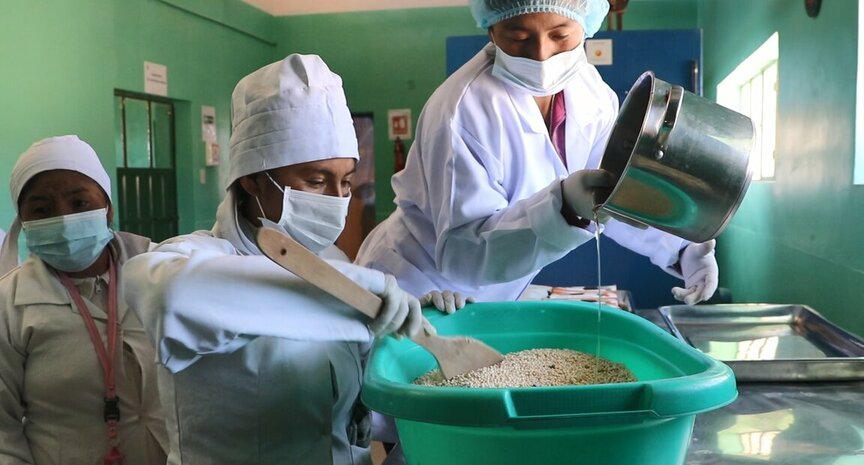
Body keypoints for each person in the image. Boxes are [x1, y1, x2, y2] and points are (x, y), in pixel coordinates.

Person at [123, 54, 444, 465]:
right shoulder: (190, 258)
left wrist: (416, 327)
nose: (336, 200)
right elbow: (169, 295)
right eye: (315, 180)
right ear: (252, 179)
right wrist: (359, 296)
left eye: (345, 181)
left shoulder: (332, 259)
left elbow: (356, 376)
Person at [355, 0, 718, 306]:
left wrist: (681, 248)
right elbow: (464, 253)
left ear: (587, 20)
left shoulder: (589, 92)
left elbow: (616, 192)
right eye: (519, 37)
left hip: (492, 296)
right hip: (416, 289)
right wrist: (561, 209)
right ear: (491, 29)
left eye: (560, 34)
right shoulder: (461, 111)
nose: (542, 55)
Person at [0, 136, 167, 464]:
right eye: (42, 209)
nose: (63, 220)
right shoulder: (9, 304)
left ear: (108, 208)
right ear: (23, 220)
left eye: (79, 203)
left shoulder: (162, 272)